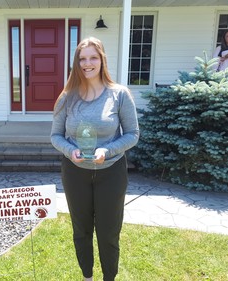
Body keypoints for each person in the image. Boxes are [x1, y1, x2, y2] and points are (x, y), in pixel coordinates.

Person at [50, 37, 139, 281]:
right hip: (75, 172)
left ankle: (109, 277)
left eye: (93, 57)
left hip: (111, 172)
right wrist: (71, 151)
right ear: (76, 63)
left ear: (102, 60)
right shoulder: (67, 97)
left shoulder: (119, 94)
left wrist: (107, 151)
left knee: (109, 233)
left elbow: (133, 134)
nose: (87, 63)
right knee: (81, 230)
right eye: (82, 58)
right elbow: (55, 136)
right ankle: (87, 277)